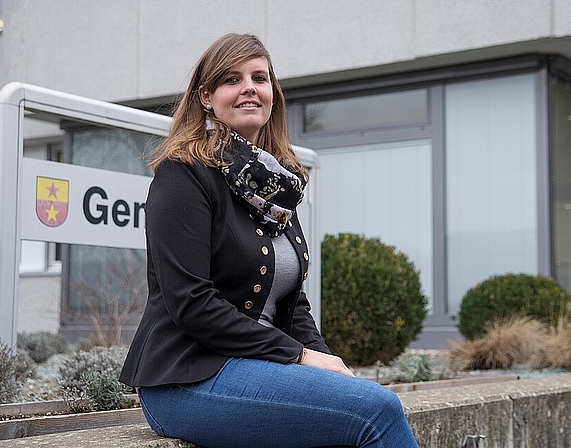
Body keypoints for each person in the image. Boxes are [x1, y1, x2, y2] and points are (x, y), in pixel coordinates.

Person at [119, 33, 419, 448]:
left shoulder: (274, 187)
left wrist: (328, 362)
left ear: (272, 94)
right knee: (378, 411)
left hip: (259, 366)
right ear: (206, 96)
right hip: (186, 378)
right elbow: (191, 301)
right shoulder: (183, 173)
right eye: (232, 79)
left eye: (259, 78)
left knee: (356, 403)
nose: (249, 88)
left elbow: (292, 306)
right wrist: (299, 356)